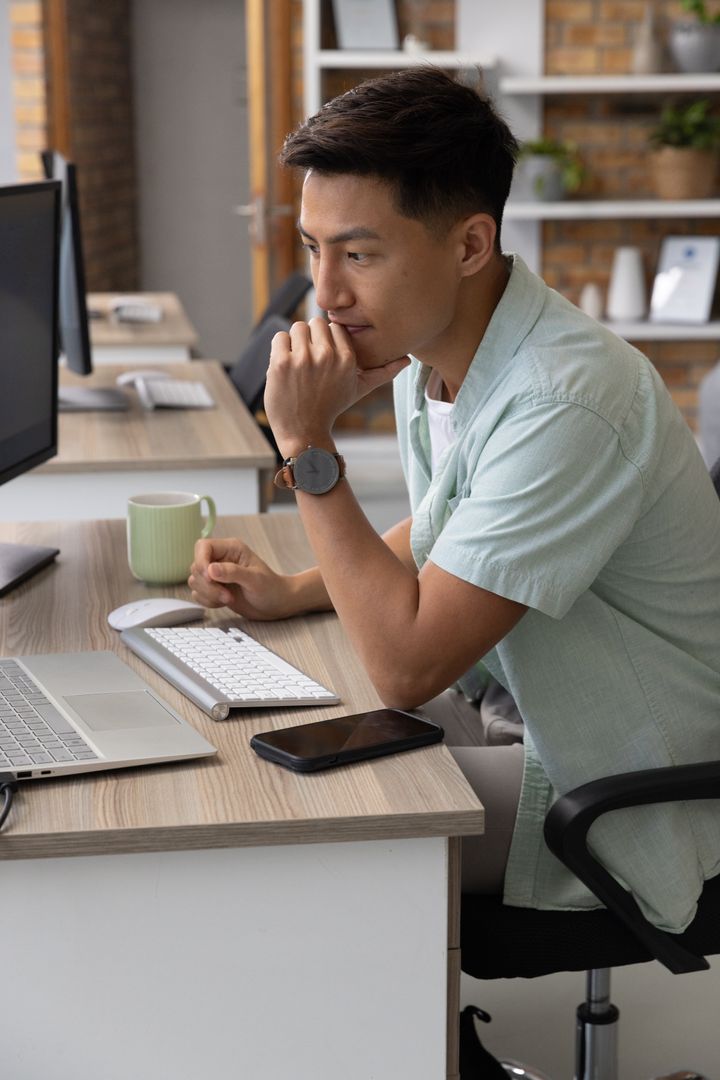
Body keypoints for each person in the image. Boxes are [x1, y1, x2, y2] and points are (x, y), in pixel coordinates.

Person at [190, 67, 720, 934]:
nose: (325, 293)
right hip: (509, 701)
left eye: (359, 254)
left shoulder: (565, 399)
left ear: (471, 245)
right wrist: (295, 586)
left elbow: (408, 665)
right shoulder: (436, 352)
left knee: (299, 823)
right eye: (313, 249)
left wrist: (308, 449)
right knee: (254, 727)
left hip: (613, 774)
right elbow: (456, 529)